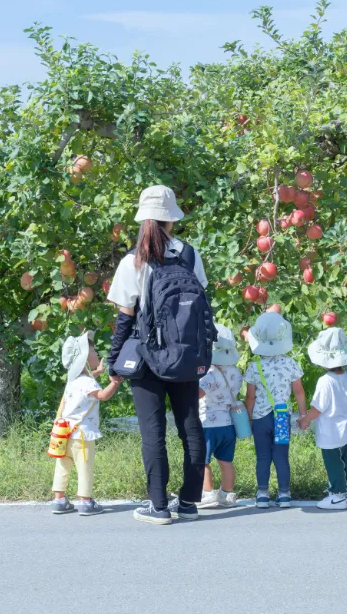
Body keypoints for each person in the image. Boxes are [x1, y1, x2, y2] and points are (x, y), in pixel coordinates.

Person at [106, 185, 210, 526]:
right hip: (185, 354)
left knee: (153, 432)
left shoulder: (132, 261)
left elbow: (125, 317)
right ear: (172, 219)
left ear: (143, 219)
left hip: (148, 357)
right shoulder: (191, 255)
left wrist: (113, 361)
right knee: (190, 426)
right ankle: (191, 502)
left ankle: (159, 506)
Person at [51, 331, 120, 516]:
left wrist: (96, 373)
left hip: (64, 434)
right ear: (84, 359)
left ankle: (59, 500)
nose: (97, 354)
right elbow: (102, 396)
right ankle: (85, 502)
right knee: (85, 467)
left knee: (63, 465)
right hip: (82, 435)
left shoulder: (73, 380)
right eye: (94, 352)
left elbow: (86, 385)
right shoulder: (88, 383)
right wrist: (114, 382)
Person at [244, 312, 307, 509]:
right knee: (281, 456)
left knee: (263, 456)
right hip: (282, 417)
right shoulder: (290, 363)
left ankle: (262, 494)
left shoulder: (254, 367)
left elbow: (250, 397)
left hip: (261, 418)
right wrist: (303, 415)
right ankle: (284, 494)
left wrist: (249, 418)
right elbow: (299, 392)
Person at [298, 327, 347, 511]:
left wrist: (305, 419)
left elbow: (318, 408)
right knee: (343, 459)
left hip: (330, 430)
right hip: (346, 428)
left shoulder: (325, 381)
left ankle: (337, 493)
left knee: (333, 462)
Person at [197, 323, 243, 509]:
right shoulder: (235, 371)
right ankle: (226, 495)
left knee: (203, 461)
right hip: (228, 423)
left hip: (208, 423)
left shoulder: (209, 374)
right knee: (226, 461)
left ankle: (208, 494)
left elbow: (198, 394)